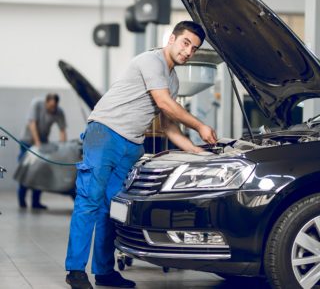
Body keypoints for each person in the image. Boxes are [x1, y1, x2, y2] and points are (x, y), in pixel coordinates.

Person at [65, 21, 217, 289]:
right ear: (171, 39)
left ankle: (104, 272)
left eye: (194, 49)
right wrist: (201, 125)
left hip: (131, 144)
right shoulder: (150, 60)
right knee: (89, 201)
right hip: (104, 133)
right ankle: (75, 271)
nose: (188, 52)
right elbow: (163, 103)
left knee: (111, 210)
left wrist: (196, 150)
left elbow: (169, 125)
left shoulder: (173, 79)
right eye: (185, 43)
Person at [18, 93, 67, 209]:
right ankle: (22, 200)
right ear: (46, 102)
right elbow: (32, 124)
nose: (52, 110)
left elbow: (62, 130)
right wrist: (37, 143)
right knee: (26, 170)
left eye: (54, 107)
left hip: (43, 142)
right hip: (27, 141)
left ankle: (36, 202)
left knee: (40, 172)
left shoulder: (58, 111)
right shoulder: (36, 104)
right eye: (50, 107)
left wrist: (63, 148)